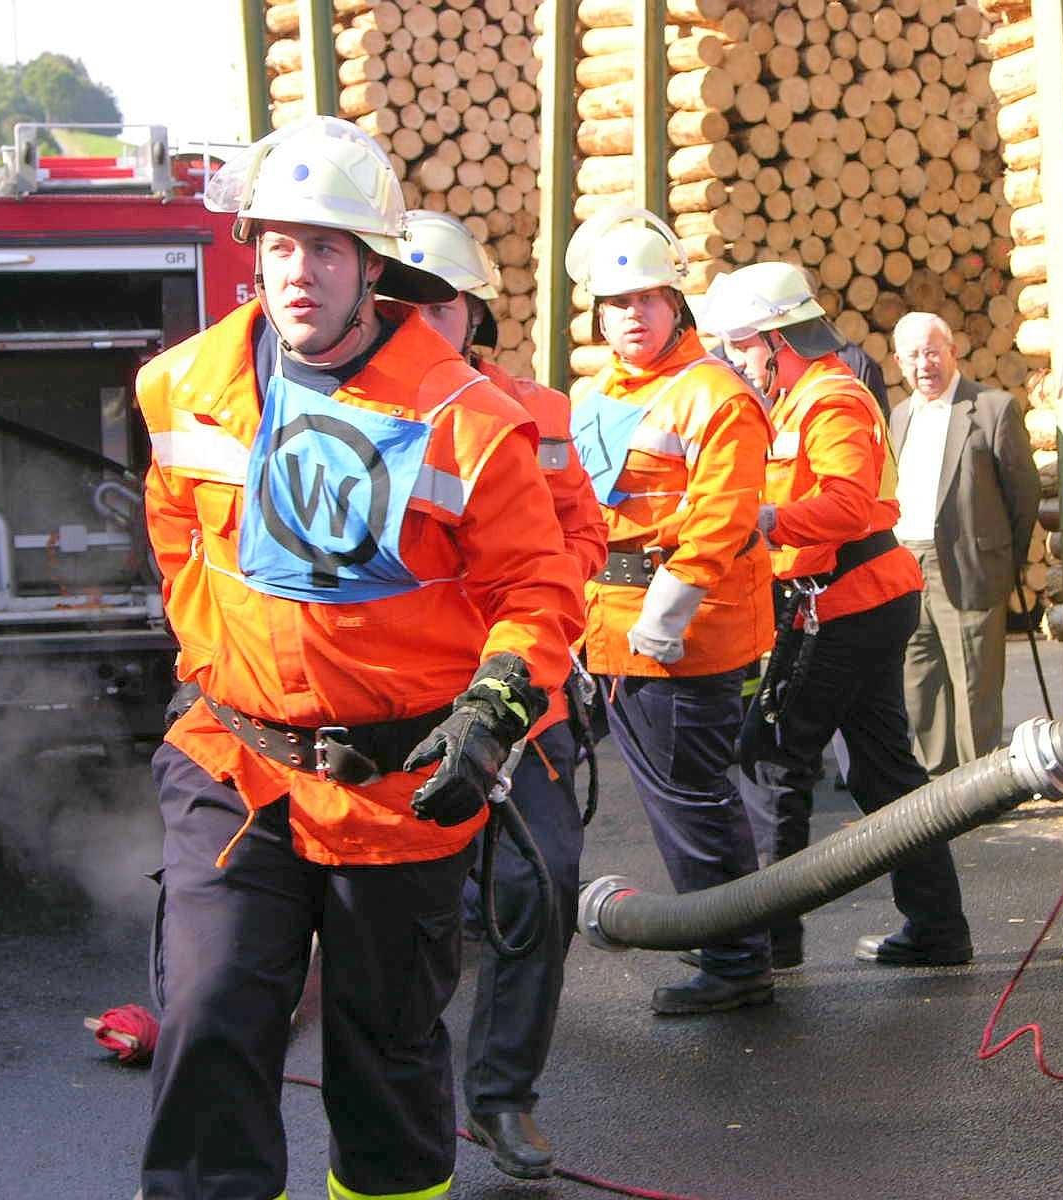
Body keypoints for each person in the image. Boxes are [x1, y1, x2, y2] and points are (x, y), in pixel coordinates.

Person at [133, 117, 583, 1200]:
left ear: (373, 265)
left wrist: (493, 708)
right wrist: (224, 670)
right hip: (234, 768)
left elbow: (538, 589)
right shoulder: (182, 384)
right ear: (253, 247)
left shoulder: (470, 423)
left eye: (326, 249)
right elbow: (177, 543)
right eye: (280, 245)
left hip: (400, 788)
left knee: (386, 1058)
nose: (299, 272)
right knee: (207, 1019)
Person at [394, 209, 607, 1180]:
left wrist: (534, 598)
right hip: (403, 712)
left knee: (538, 893)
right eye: (405, 302)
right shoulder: (367, 415)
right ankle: (405, 1095)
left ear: (473, 314)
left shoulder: (541, 418)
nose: (422, 321)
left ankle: (503, 1096)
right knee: (405, 918)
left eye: (440, 305)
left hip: (526, 708)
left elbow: (584, 538)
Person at [699, 263, 973, 969]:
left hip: (845, 602)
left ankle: (768, 940)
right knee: (884, 773)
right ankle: (938, 927)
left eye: (740, 348)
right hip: (857, 599)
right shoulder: (803, 398)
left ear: (774, 340)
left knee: (771, 760)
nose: (736, 362)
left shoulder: (828, 400)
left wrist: (766, 520)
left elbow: (849, 506)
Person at [566, 206, 777, 1014]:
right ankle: (731, 942)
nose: (633, 315)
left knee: (695, 799)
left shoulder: (713, 394)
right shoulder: (600, 395)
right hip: (612, 624)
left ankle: (734, 959)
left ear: (677, 304)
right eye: (618, 303)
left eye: (649, 299)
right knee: (679, 798)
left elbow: (721, 517)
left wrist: (666, 612)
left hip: (682, 632)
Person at [890, 312, 1040, 782]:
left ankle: (979, 787)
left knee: (974, 682)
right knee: (920, 679)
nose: (924, 364)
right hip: (907, 565)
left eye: (933, 351)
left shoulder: (993, 408)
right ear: (898, 362)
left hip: (970, 565)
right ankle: (936, 783)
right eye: (913, 355)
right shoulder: (899, 416)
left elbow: (1024, 495)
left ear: (953, 350)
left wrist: (998, 559)